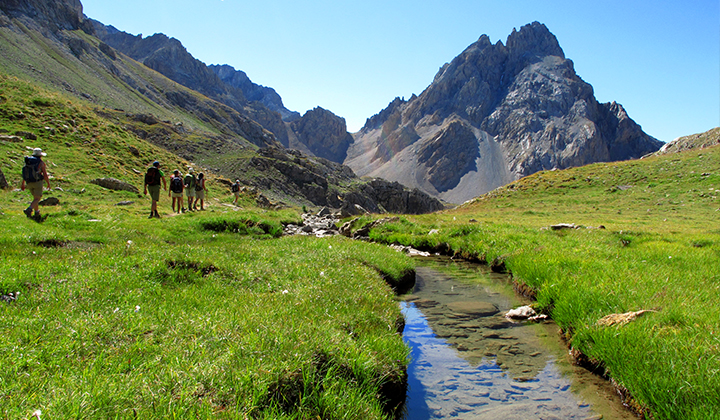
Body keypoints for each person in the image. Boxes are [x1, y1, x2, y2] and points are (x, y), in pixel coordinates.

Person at [20, 148, 50, 221]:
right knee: (37, 198)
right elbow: (45, 174)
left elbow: (25, 173)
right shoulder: (40, 162)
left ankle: (37, 212)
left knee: (35, 198)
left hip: (29, 182)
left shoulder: (28, 162)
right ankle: (29, 209)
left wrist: (23, 183)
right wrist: (48, 183)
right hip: (37, 182)